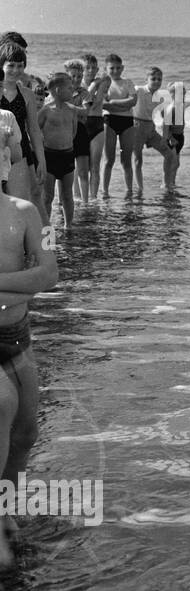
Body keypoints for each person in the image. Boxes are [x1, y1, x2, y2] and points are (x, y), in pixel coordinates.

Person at [0, 174, 59, 567]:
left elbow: (50, 274)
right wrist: (23, 287)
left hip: (17, 336)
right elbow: (34, 279)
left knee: (26, 433)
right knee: (1, 409)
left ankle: (6, 510)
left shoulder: (27, 212)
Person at [0, 41, 45, 211]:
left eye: (20, 66)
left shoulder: (26, 94)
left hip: (20, 153)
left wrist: (41, 160)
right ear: (1, 65)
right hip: (0, 150)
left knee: (19, 203)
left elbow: (33, 129)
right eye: (10, 65)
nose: (16, 70)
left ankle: (31, 237)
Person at [37, 72, 78, 229]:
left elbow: (73, 132)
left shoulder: (72, 110)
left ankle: (69, 226)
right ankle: (46, 227)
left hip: (67, 156)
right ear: (57, 90)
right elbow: (35, 131)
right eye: (69, 88)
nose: (72, 90)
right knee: (48, 196)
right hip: (50, 157)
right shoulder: (46, 111)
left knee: (67, 195)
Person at [99, 53, 137, 198]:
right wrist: (122, 105)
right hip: (109, 121)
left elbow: (133, 101)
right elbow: (104, 105)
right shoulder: (104, 84)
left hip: (127, 122)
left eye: (118, 68)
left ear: (122, 68)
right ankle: (105, 191)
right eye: (112, 68)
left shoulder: (128, 82)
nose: (115, 71)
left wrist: (113, 103)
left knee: (126, 160)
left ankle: (129, 191)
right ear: (106, 68)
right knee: (109, 159)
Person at [130, 67, 170, 196]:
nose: (156, 81)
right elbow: (126, 104)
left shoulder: (160, 98)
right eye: (153, 79)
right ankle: (140, 188)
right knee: (137, 159)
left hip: (151, 128)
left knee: (169, 154)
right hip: (136, 127)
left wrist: (165, 136)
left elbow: (166, 119)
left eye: (159, 79)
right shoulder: (138, 90)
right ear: (146, 79)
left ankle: (165, 184)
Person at [64, 58, 93, 206]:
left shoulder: (85, 93)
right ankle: (64, 201)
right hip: (63, 131)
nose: (76, 79)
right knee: (64, 171)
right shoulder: (60, 91)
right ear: (66, 75)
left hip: (81, 132)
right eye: (72, 76)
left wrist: (68, 107)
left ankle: (86, 202)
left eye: (79, 76)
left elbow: (85, 112)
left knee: (83, 170)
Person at [81, 52, 108, 199]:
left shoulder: (102, 83)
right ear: (82, 69)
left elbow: (95, 104)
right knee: (80, 167)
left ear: (97, 69)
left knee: (95, 166)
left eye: (93, 68)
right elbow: (83, 103)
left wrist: (97, 84)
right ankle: (79, 198)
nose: (90, 71)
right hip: (81, 125)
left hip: (97, 123)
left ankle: (93, 198)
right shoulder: (78, 84)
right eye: (87, 68)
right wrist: (94, 84)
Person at [157, 80, 185, 191]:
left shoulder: (179, 106)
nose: (181, 96)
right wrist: (169, 138)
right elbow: (164, 125)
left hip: (179, 137)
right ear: (172, 94)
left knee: (176, 163)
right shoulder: (171, 108)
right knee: (170, 162)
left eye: (183, 93)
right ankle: (165, 183)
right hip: (172, 138)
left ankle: (172, 183)